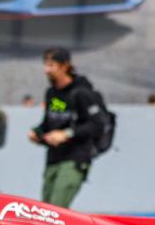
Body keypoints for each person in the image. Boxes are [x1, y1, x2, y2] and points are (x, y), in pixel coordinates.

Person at [30, 47, 103, 208]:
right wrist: (37, 133)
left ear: (65, 66)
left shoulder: (82, 92)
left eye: (51, 65)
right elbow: (49, 122)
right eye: (45, 65)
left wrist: (66, 134)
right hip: (53, 158)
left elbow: (97, 125)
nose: (46, 70)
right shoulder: (52, 93)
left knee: (55, 211)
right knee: (44, 212)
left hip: (74, 159)